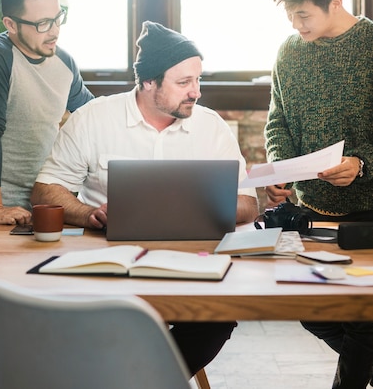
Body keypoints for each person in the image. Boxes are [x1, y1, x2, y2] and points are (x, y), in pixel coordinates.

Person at [31, 20, 258, 377]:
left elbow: (247, 203)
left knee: (216, 319)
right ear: (148, 82)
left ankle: (139, 382)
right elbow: (47, 189)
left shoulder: (210, 126)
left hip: (188, 267)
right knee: (77, 322)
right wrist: (88, 213)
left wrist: (183, 210)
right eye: (184, 83)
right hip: (106, 267)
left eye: (198, 80)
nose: (196, 92)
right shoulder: (94, 118)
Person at [0, 0, 93, 389]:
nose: (53, 30)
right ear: (10, 24)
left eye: (58, 17)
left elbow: (88, 118)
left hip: (45, 204)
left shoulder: (64, 61)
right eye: (41, 23)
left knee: (48, 308)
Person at [264, 0, 373, 389]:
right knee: (312, 309)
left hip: (367, 212)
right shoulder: (289, 53)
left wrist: (362, 165)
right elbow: (279, 122)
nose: (295, 25)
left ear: (336, 1)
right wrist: (280, 168)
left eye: (303, 14)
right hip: (313, 212)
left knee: (365, 318)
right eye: (290, 14)